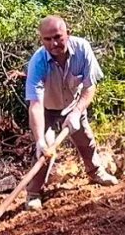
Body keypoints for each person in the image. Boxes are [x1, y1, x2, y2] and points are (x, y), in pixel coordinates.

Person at [22, 15, 119, 210]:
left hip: (74, 106)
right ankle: (33, 194)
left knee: (85, 139)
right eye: (47, 39)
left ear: (68, 33)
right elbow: (35, 104)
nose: (54, 43)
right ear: (41, 40)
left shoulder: (82, 49)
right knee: (46, 148)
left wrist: (76, 112)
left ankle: (96, 172)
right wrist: (39, 138)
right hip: (48, 110)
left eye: (58, 37)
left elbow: (89, 87)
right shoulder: (38, 62)